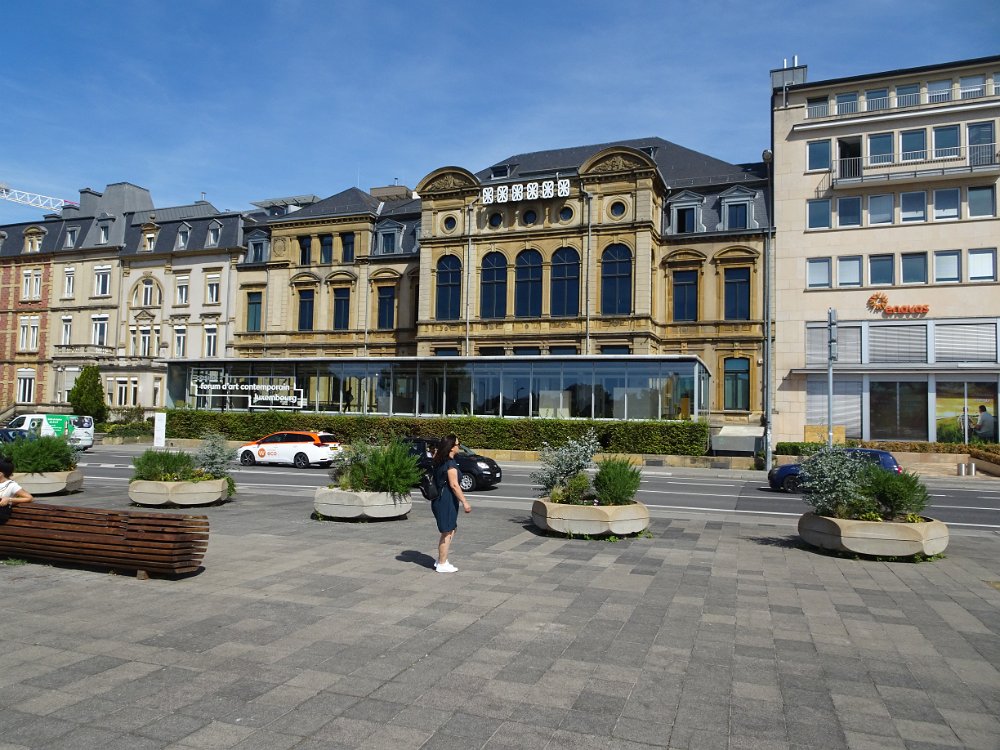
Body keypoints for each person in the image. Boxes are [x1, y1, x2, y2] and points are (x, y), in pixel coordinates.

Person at [430, 433, 471, 573]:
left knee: (450, 529)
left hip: (441, 499)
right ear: (452, 447)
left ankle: (441, 559)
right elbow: (454, 485)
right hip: (445, 500)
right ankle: (442, 564)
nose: (459, 447)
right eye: (458, 444)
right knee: (447, 532)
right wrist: (465, 502)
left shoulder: (439, 460)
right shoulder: (449, 463)